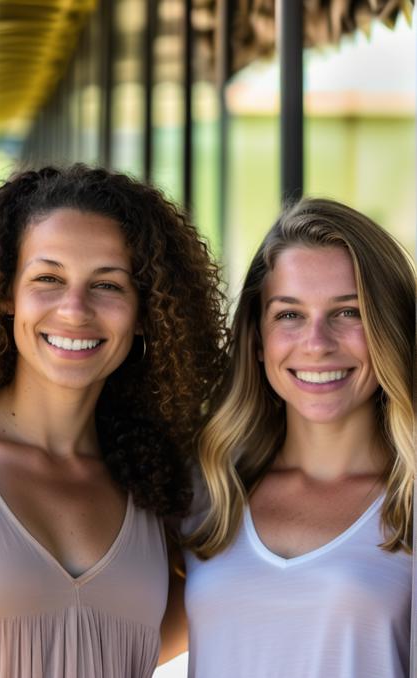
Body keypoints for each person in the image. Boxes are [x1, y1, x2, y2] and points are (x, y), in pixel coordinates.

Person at [0, 164, 227, 678]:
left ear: (145, 310)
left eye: (107, 284)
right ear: (3, 292)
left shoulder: (155, 483)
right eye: (48, 278)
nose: (75, 309)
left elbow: (210, 618)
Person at [182, 198, 414, 678]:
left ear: (389, 330)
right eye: (290, 315)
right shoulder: (209, 493)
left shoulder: (409, 503)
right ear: (258, 340)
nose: (317, 343)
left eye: (348, 312)